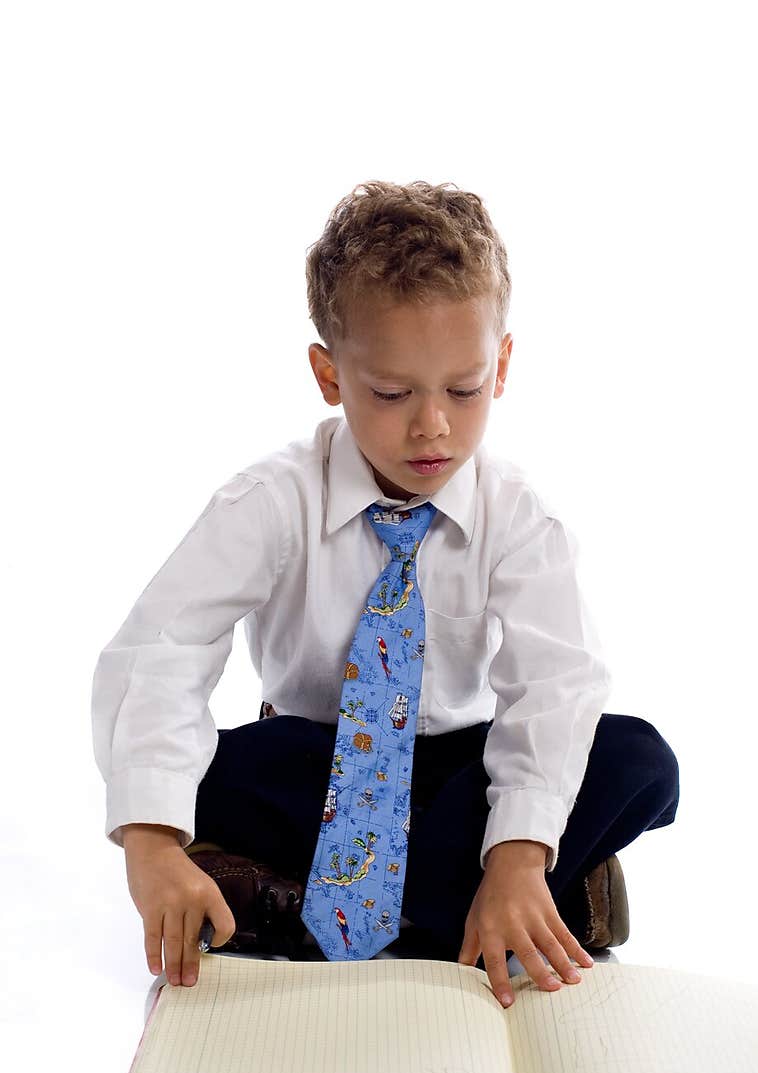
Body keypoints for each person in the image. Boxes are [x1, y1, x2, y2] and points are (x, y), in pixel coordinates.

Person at [91, 178, 679, 1010]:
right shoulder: (269, 501)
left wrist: (514, 850)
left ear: (502, 365)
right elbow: (160, 652)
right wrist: (151, 847)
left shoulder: (520, 517)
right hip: (319, 763)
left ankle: (337, 909)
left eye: (464, 389)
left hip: (464, 770)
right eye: (393, 394)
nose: (432, 426)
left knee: (640, 759)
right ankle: (531, 897)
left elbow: (555, 685)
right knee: (207, 774)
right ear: (330, 375)